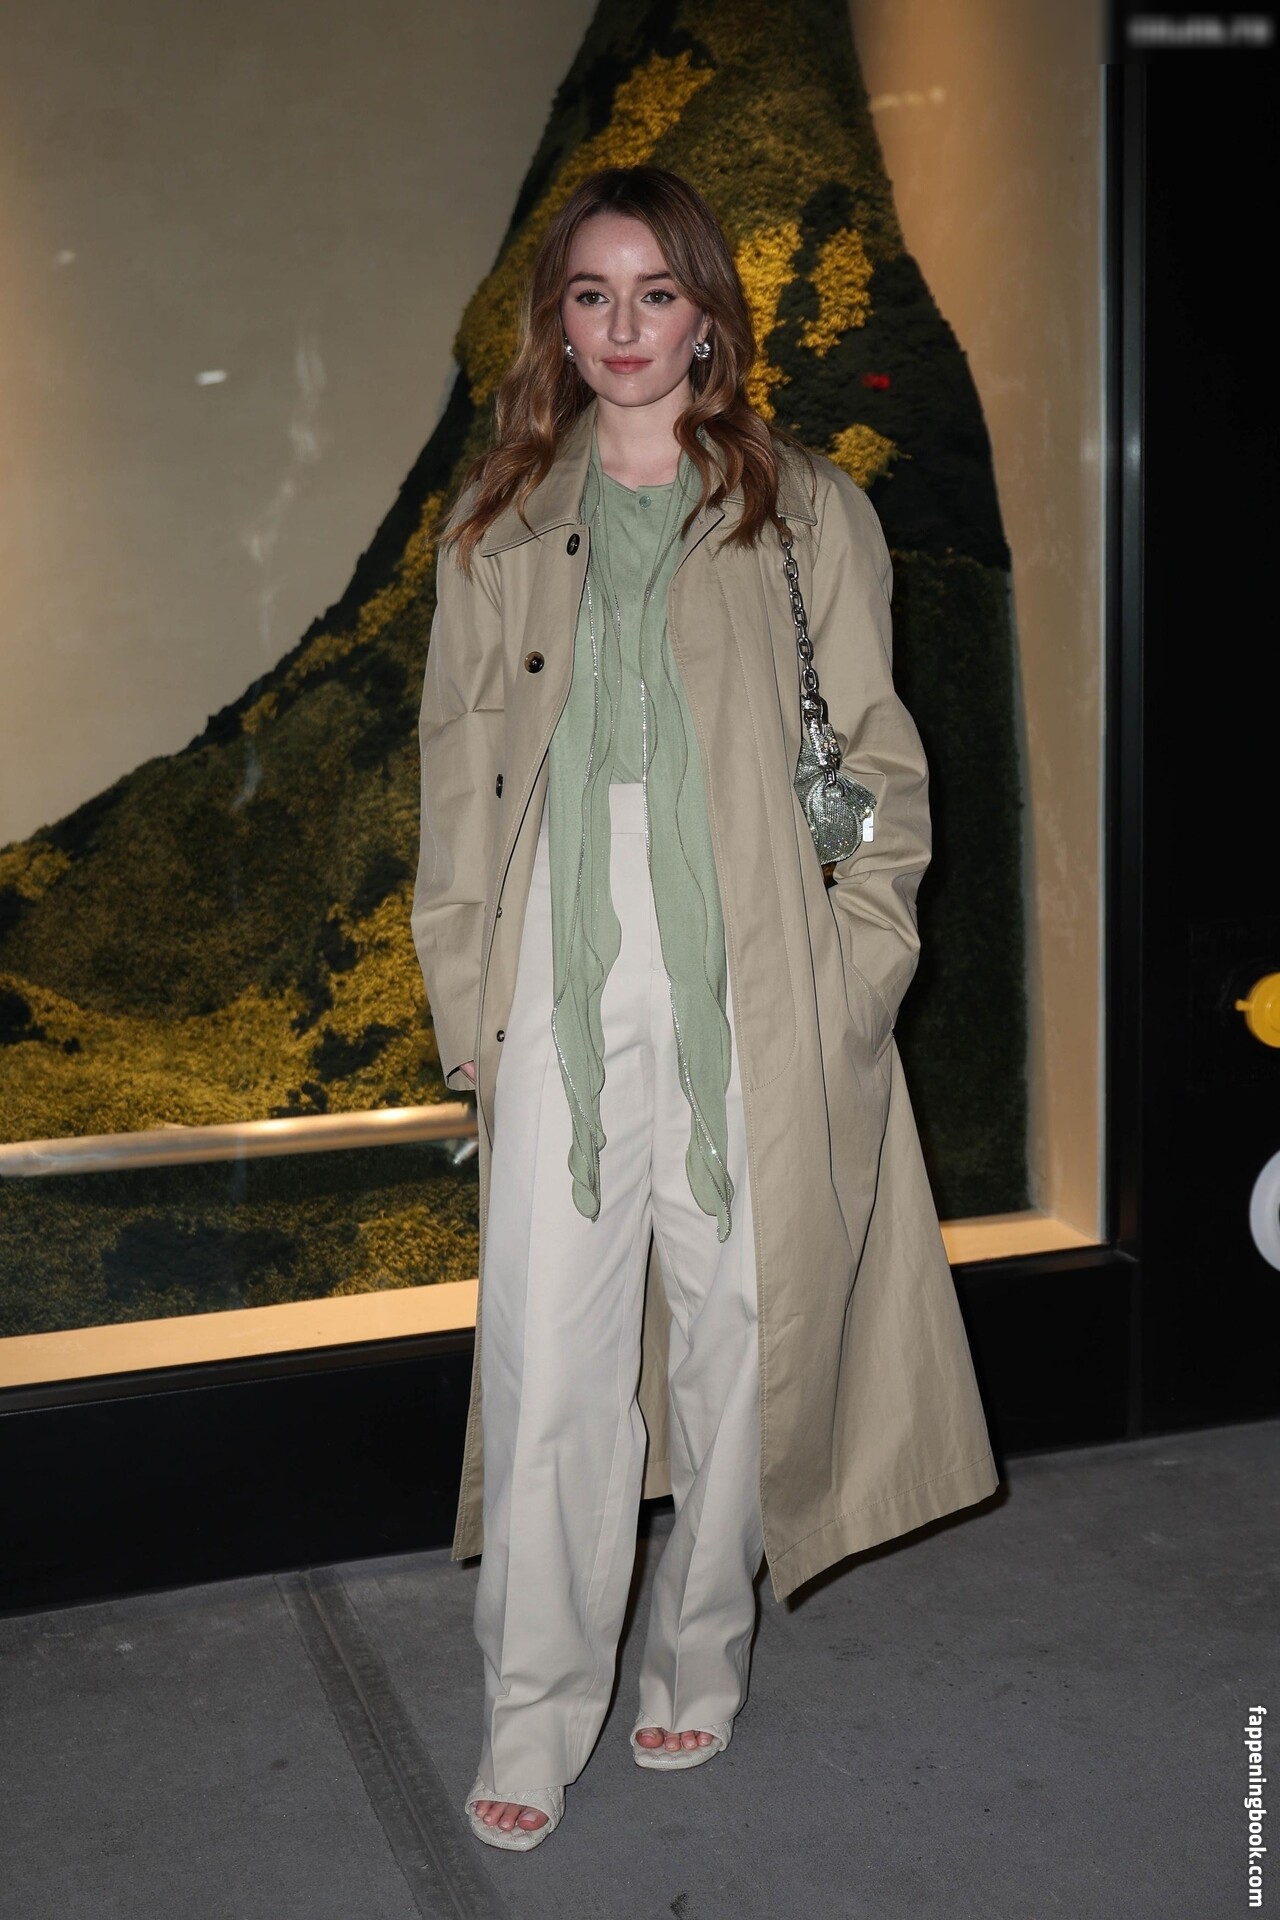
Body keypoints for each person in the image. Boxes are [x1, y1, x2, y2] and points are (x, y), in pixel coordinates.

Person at [412, 165, 999, 1853]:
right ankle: (533, 1706)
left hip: (756, 962)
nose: (622, 327)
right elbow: (455, 789)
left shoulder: (806, 509)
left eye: (654, 293)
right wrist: (466, 1002)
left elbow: (879, 763)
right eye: (591, 295)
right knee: (551, 1354)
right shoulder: (494, 524)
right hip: (555, 958)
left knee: (748, 1333)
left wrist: (857, 967)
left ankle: (700, 1649)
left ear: (706, 317)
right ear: (556, 322)